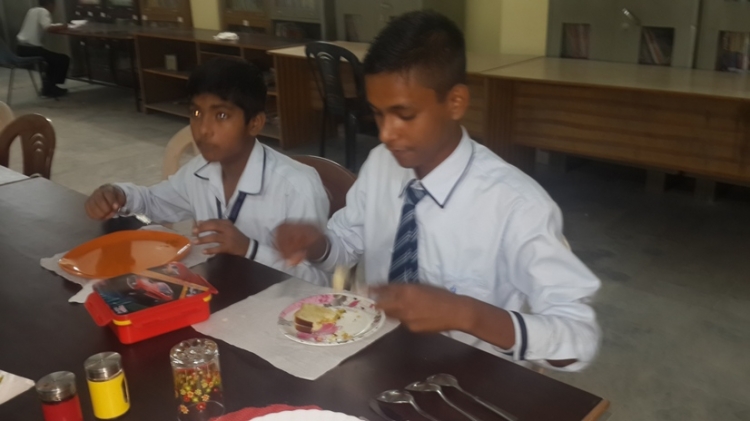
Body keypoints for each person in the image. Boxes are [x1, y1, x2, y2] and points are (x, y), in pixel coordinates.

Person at [275, 11, 601, 370]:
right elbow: (346, 247)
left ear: (456, 102)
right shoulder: (382, 164)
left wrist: (468, 315)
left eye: (405, 115)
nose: (386, 134)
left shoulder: (515, 205)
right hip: (380, 357)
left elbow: (579, 339)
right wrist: (317, 244)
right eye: (378, 114)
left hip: (471, 375)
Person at [85, 57, 330, 286]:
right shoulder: (199, 171)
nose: (203, 129)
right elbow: (153, 201)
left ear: (255, 123)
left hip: (279, 309)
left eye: (221, 115)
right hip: (220, 292)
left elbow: (321, 283)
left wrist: (249, 249)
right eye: (196, 113)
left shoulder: (297, 187)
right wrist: (119, 195)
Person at [16, 0, 70, 98]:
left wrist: (58, 26)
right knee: (63, 59)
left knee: (53, 59)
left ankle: (48, 87)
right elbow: (48, 27)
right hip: (32, 49)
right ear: (50, 4)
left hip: (21, 48)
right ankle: (51, 88)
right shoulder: (44, 11)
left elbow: (47, 25)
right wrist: (64, 26)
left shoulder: (32, 10)